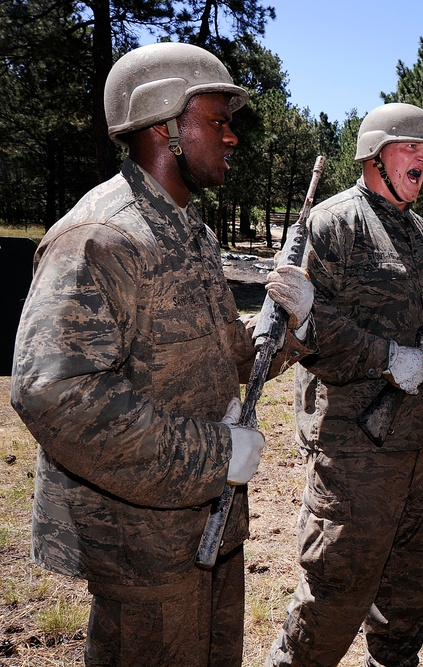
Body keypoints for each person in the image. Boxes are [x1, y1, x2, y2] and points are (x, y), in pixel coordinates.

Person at [10, 42, 315, 666]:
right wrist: (213, 452)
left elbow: (226, 352)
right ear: (164, 125)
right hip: (140, 549)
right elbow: (54, 392)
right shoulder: (101, 237)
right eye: (218, 120)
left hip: (208, 527)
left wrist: (288, 322)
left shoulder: (191, 234)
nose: (231, 138)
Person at [265, 102, 423, 667]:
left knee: (409, 601)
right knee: (334, 596)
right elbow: (307, 331)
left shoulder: (420, 232)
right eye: (410, 147)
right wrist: (385, 358)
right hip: (355, 447)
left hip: (421, 441)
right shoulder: (333, 223)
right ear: (374, 155)